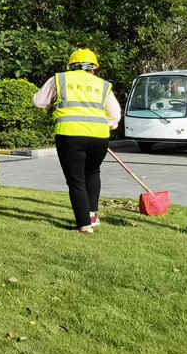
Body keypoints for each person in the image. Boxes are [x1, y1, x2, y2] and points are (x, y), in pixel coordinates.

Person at [32, 48, 121, 233]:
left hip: (70, 135)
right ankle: (92, 217)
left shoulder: (59, 79)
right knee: (93, 173)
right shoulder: (103, 84)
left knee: (76, 180)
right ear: (93, 68)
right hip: (99, 136)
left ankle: (84, 225)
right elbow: (115, 115)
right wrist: (109, 126)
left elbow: (39, 102)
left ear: (70, 66)